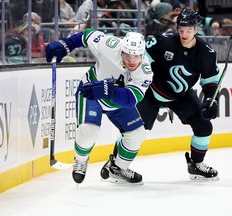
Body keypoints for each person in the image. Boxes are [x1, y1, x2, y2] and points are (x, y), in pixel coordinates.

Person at [101, 8, 219, 181]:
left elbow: (210, 82)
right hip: (149, 93)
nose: (184, 34)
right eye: (181, 30)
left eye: (188, 30)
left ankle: (196, 164)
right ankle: (116, 165)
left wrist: (210, 100)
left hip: (181, 95)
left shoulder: (206, 53)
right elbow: (136, 61)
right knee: (133, 129)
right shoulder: (162, 42)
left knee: (204, 126)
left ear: (196, 29)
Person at [45, 29, 153, 184]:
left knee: (137, 134)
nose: (131, 60)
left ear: (142, 55)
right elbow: (87, 35)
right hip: (91, 92)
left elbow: (130, 99)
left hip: (117, 101)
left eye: (136, 56)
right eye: (127, 54)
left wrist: (108, 91)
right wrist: (66, 44)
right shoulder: (111, 45)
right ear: (121, 50)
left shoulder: (145, 72)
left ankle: (117, 168)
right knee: (88, 130)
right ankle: (81, 160)